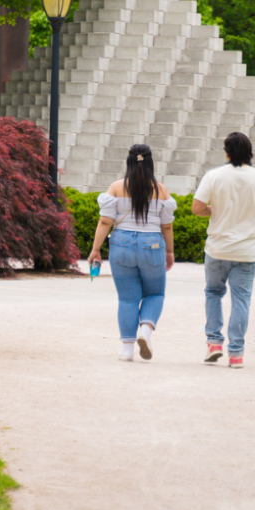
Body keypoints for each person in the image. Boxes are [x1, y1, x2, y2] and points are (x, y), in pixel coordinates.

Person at [192, 131, 255, 368]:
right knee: (241, 300)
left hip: (217, 248)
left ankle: (214, 342)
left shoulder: (213, 176)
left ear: (226, 152)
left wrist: (216, 211)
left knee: (213, 293)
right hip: (247, 251)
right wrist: (253, 215)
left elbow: (197, 208)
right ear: (250, 152)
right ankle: (236, 354)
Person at [87, 143, 177, 362]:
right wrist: (170, 251)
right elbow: (166, 226)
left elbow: (105, 221)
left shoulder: (116, 187)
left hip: (122, 244)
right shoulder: (161, 190)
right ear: (150, 163)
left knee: (127, 299)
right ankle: (145, 330)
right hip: (152, 245)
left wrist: (95, 248)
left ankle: (126, 349)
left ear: (129, 161)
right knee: (155, 293)